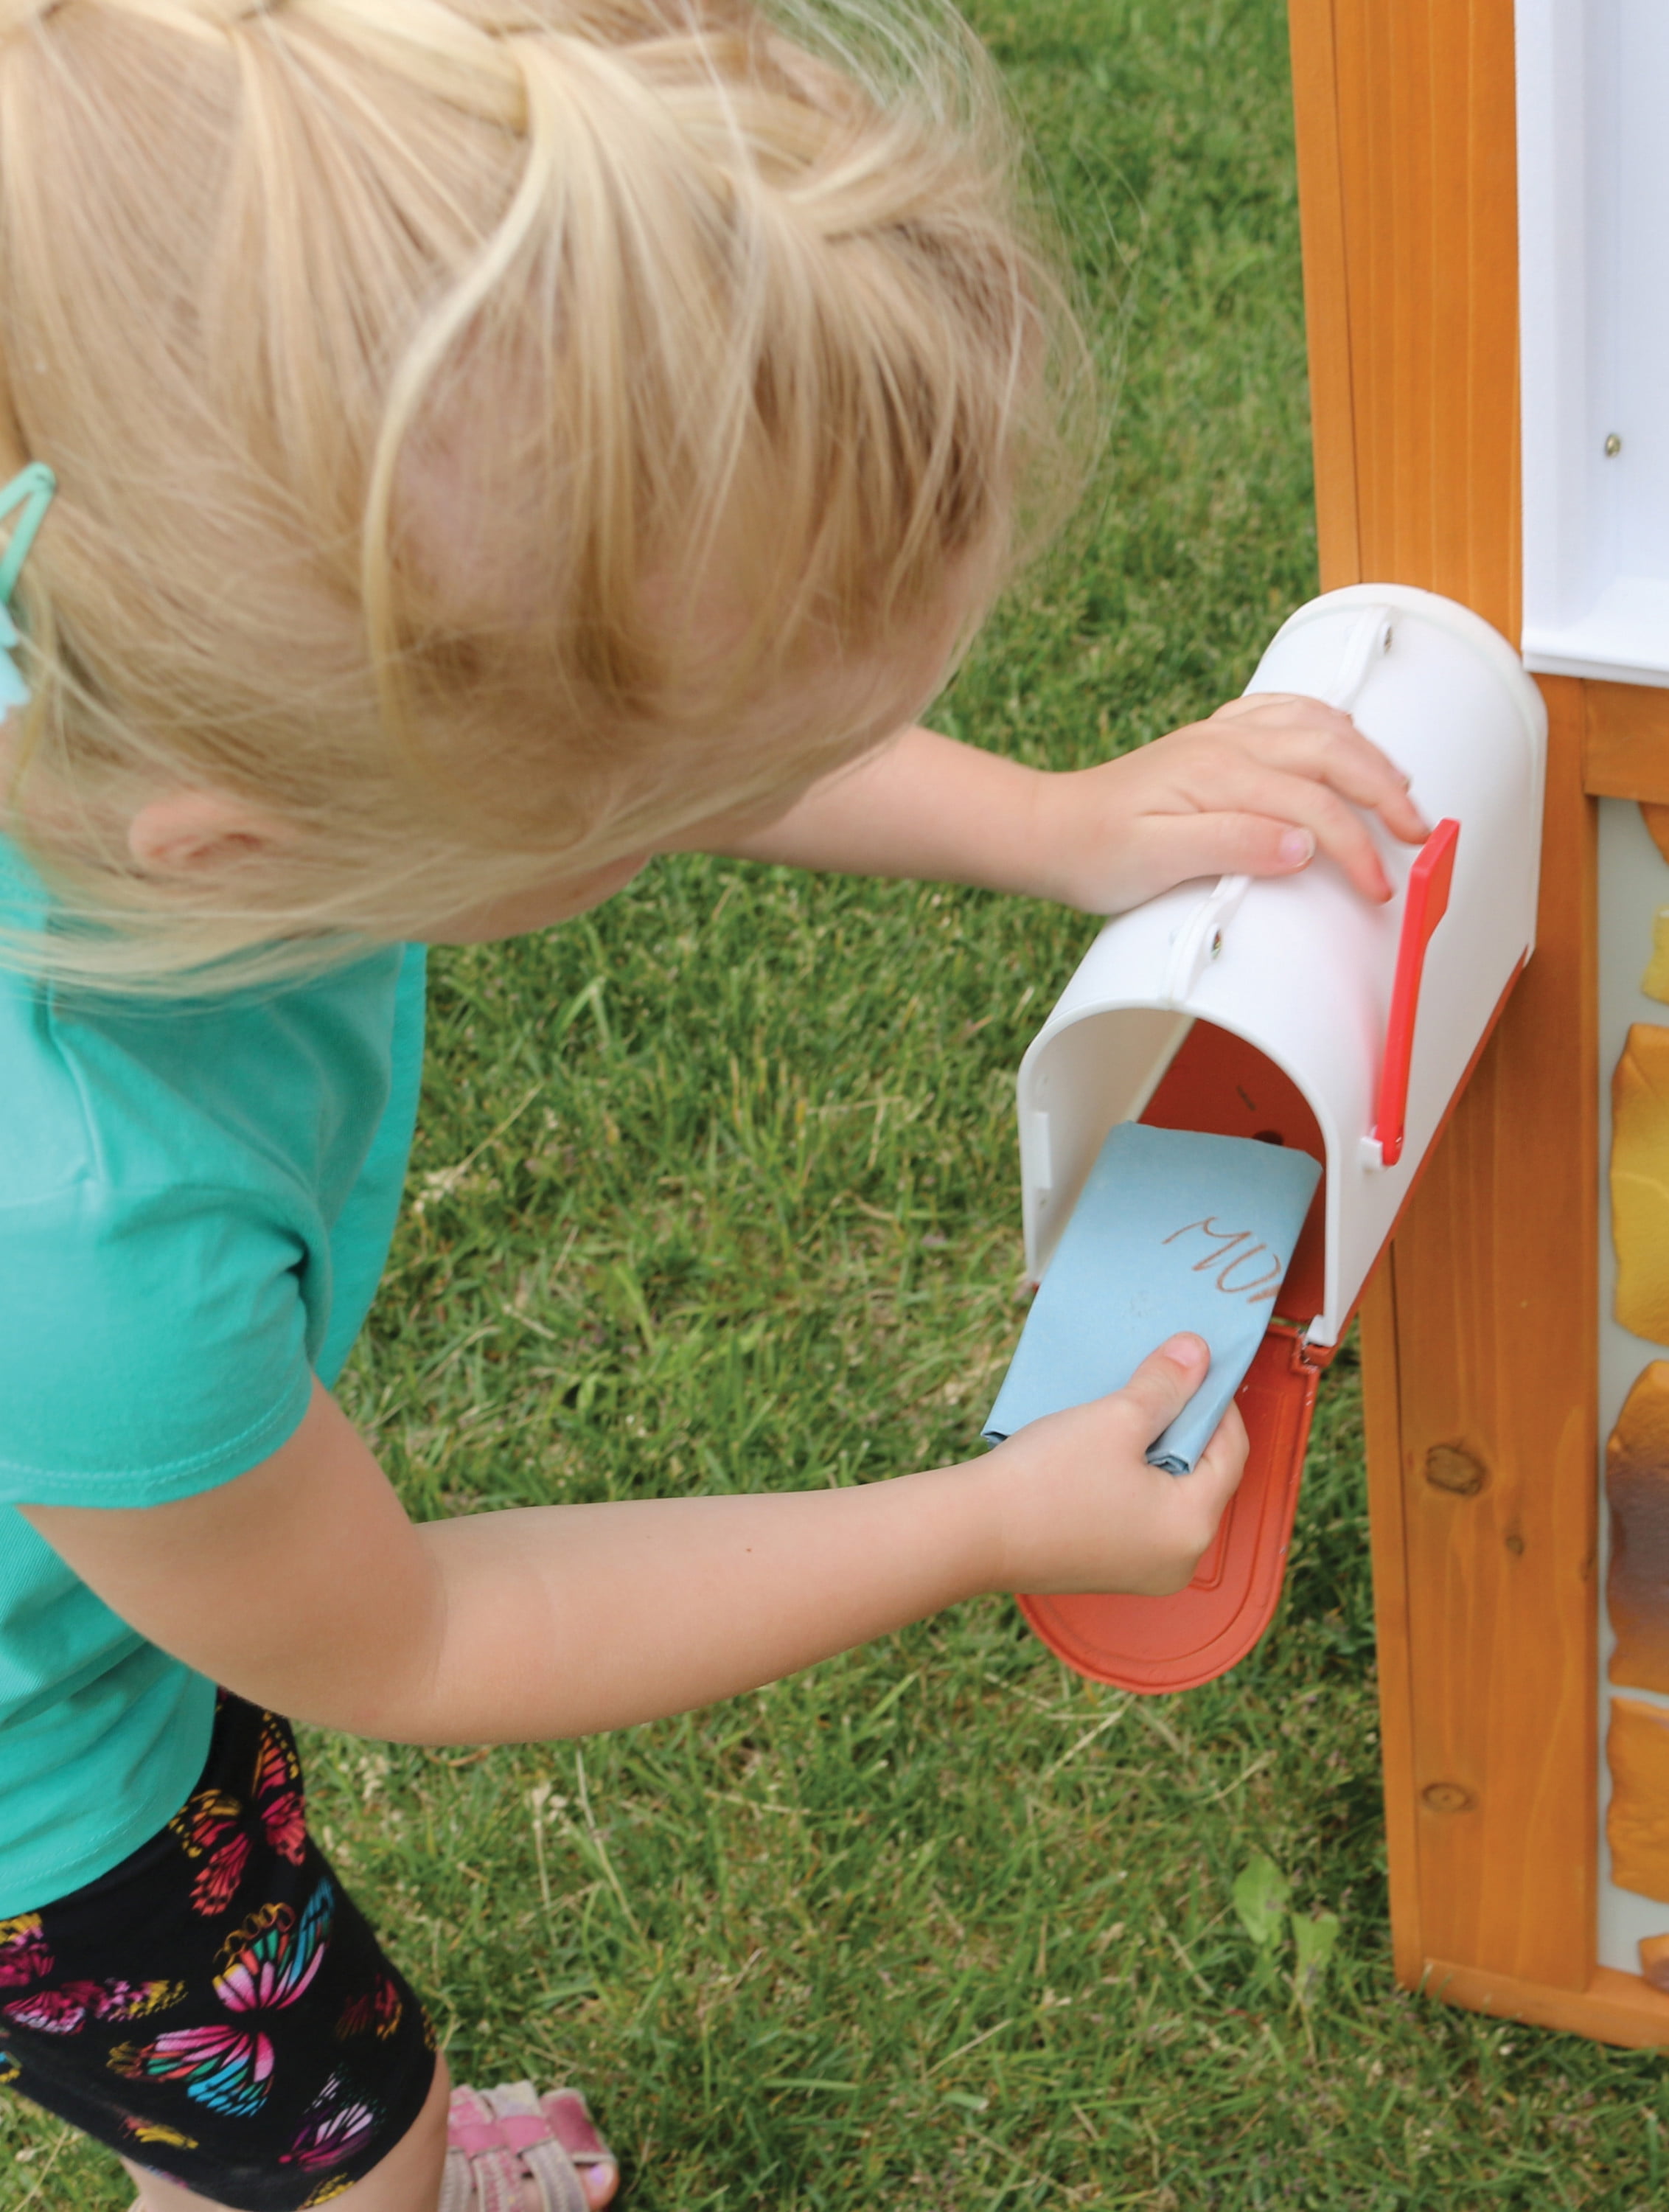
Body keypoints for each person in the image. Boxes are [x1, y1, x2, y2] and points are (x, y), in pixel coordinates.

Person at [0, 0, 1428, 2205]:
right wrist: (986, 1522)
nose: (725, 804)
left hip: (114, 1538)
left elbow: (614, 702)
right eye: (669, 800)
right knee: (317, 2127)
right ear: (246, 838)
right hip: (43, 1784)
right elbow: (417, 1631)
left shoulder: (150, 619)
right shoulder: (85, 1242)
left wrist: (1053, 823)